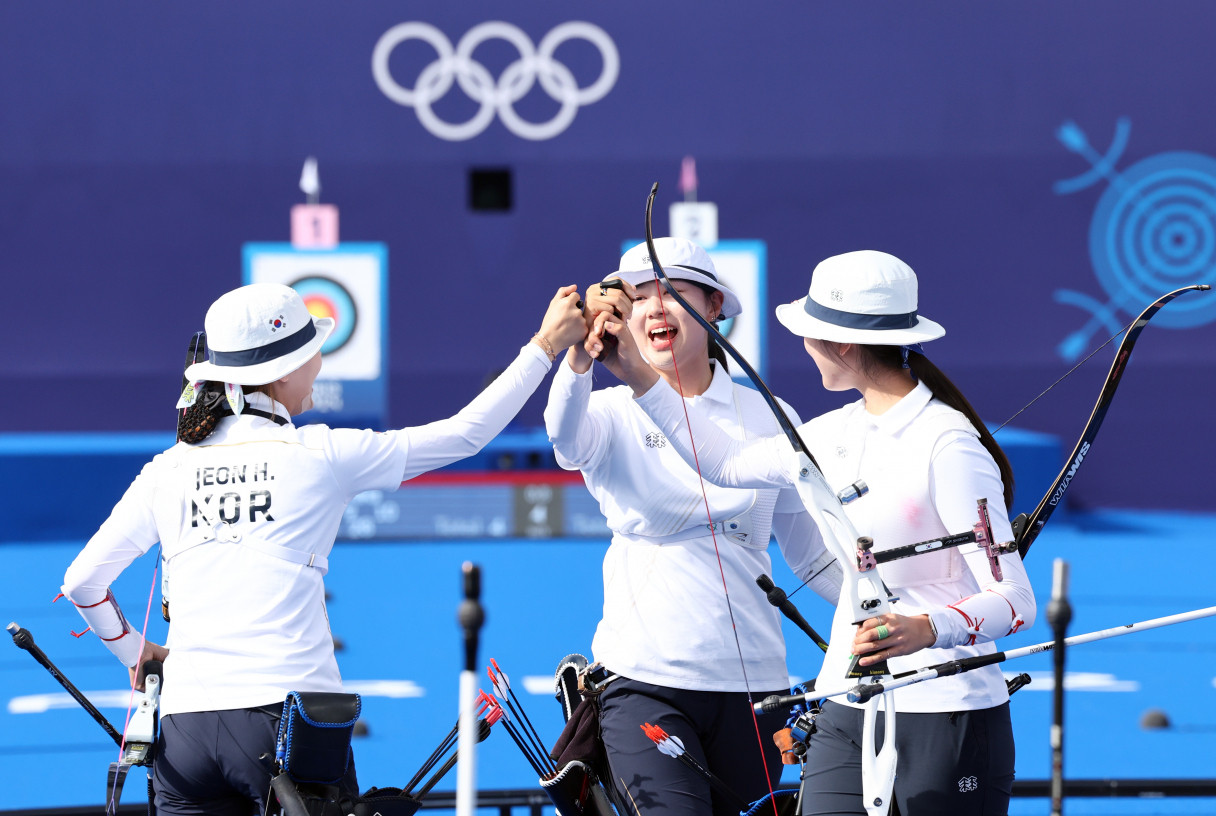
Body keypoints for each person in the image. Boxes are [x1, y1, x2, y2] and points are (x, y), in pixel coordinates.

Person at [61, 281, 587, 816]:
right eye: (313, 350)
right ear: (284, 370)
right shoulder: (322, 454)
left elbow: (83, 583)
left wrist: (137, 652)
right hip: (289, 728)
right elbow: (465, 435)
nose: (320, 361)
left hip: (185, 734)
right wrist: (543, 347)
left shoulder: (166, 468)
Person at [593, 250, 1037, 816]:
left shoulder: (947, 444)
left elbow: (1015, 601)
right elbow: (723, 463)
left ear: (843, 344)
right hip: (846, 703)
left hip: (947, 711)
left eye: (808, 332)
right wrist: (632, 371)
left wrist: (927, 628)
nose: (801, 345)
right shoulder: (830, 434)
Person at [546, 238, 842, 816]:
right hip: (644, 682)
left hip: (758, 687)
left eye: (675, 292)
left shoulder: (770, 415)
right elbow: (563, 436)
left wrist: (894, 608)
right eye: (641, 297)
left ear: (714, 308)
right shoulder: (608, 411)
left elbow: (813, 556)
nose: (656, 308)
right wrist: (580, 358)